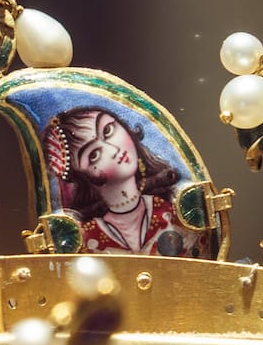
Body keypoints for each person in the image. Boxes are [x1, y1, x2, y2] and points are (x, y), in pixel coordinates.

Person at [46, 106, 205, 257]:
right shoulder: (86, 237)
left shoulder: (173, 212)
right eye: (94, 154)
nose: (114, 150)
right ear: (83, 177)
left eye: (108, 131)